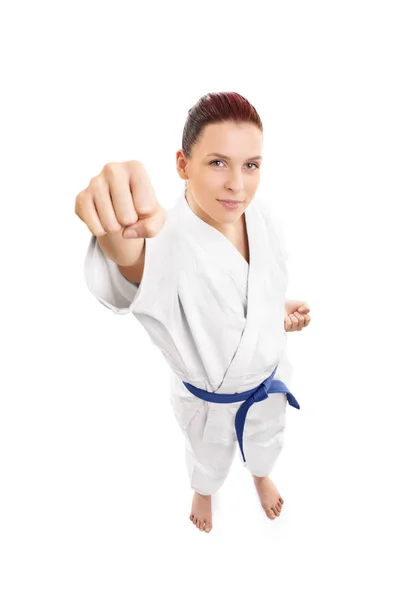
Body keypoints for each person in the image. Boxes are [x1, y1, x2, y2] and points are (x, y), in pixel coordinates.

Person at [75, 91, 311, 534]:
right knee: (209, 457)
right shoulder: (164, 240)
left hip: (268, 380)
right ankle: (204, 490)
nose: (237, 185)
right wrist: (115, 227)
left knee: (267, 441)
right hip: (210, 403)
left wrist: (275, 313)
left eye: (251, 165)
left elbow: (249, 294)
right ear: (183, 164)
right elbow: (136, 264)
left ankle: (260, 475)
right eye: (217, 162)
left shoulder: (264, 220)